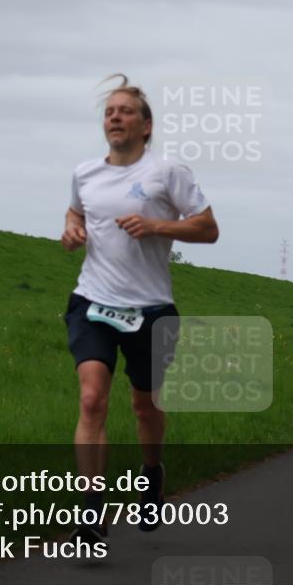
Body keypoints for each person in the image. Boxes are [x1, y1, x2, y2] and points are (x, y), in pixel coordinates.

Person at [61, 74, 219, 545]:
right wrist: (71, 229)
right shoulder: (85, 173)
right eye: (110, 111)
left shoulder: (168, 173)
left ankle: (152, 473)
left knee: (144, 404)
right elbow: (75, 211)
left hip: (151, 308)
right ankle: (91, 511)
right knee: (92, 399)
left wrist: (155, 225)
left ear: (146, 125)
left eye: (126, 110)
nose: (115, 117)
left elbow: (208, 229)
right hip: (92, 300)